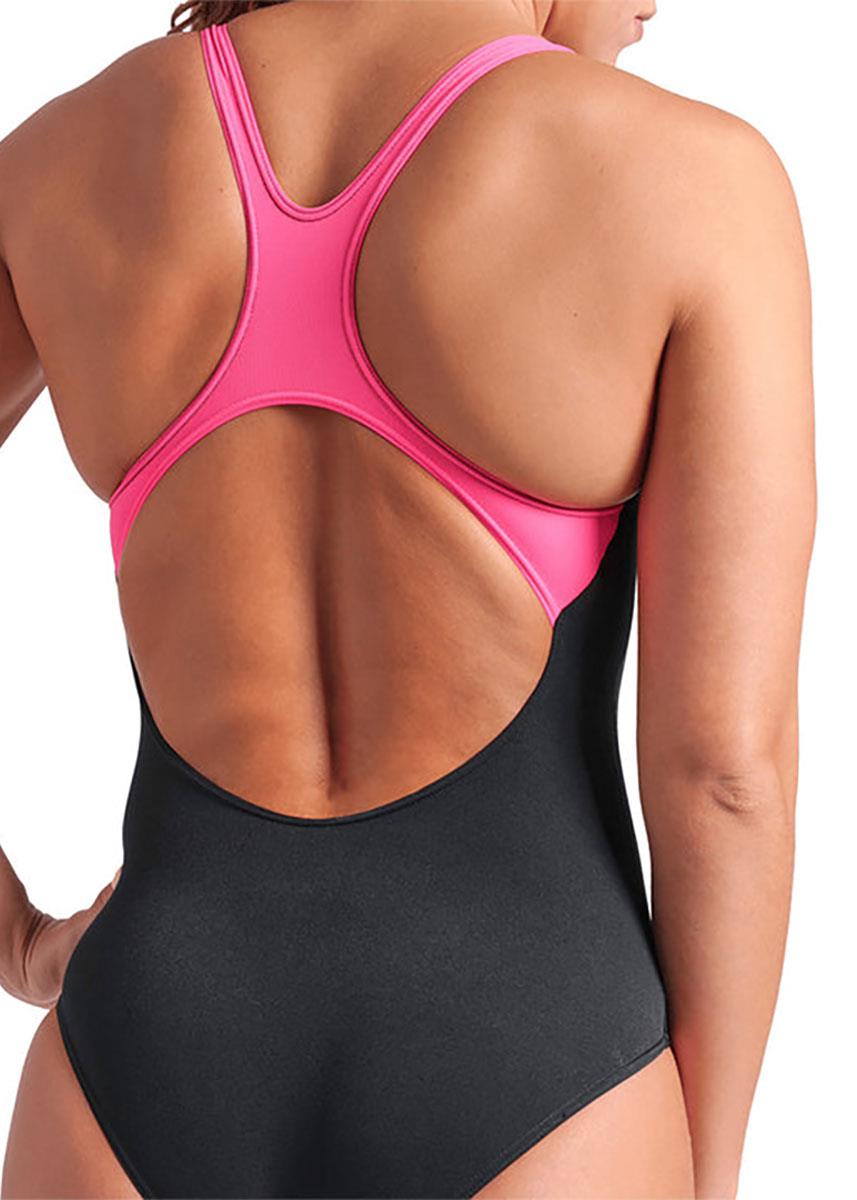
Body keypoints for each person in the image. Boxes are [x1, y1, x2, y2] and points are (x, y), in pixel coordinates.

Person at [0, 1, 815, 1197]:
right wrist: (710, 1172)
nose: (658, 1)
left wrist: (18, 937)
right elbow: (723, 774)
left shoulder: (60, 160)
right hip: (544, 1061)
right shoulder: (694, 180)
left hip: (140, 1051)